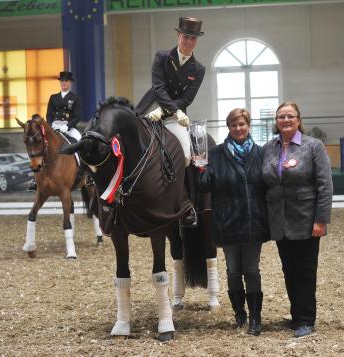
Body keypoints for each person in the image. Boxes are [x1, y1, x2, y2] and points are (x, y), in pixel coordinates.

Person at [195, 108, 269, 335]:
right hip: (227, 221)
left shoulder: (260, 152)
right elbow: (205, 185)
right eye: (234, 125)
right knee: (233, 271)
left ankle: (255, 318)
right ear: (229, 127)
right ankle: (240, 314)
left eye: (242, 124)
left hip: (252, 221)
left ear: (248, 126)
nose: (239, 128)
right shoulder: (215, 154)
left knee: (252, 270)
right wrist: (199, 168)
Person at [262, 101, 333, 338]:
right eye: (281, 117)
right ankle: (296, 315)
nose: (285, 120)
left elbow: (325, 185)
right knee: (289, 269)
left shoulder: (314, 146)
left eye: (290, 116)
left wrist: (321, 219)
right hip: (279, 220)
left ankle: (306, 319)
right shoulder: (269, 147)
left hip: (305, 218)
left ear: (299, 119)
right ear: (276, 121)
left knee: (305, 270)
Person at [136, 16, 206, 228]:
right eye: (186, 37)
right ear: (178, 36)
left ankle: (186, 203)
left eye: (193, 38)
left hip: (176, 117)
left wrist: (170, 112)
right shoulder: (162, 57)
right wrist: (164, 108)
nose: (189, 42)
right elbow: (158, 87)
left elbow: (188, 98)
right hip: (150, 108)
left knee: (186, 155)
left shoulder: (198, 69)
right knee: (132, 146)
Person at [28, 71, 82, 191]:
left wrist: (67, 126)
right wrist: (52, 125)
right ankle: (36, 179)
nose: (63, 83)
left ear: (70, 83)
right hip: (54, 127)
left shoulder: (75, 98)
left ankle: (84, 171)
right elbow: (49, 115)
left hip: (69, 128)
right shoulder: (53, 97)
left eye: (66, 81)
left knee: (81, 142)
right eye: (62, 81)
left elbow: (77, 116)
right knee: (42, 146)